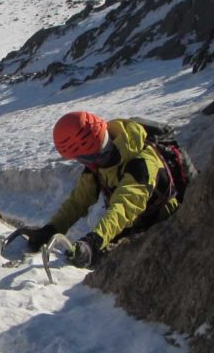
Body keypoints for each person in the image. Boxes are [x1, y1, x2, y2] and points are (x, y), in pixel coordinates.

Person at [20, 111, 196, 268]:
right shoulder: (99, 163)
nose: (82, 162)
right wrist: (52, 229)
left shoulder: (142, 162)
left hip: (169, 226)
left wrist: (94, 242)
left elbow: (124, 207)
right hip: (135, 227)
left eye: (82, 158)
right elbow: (78, 201)